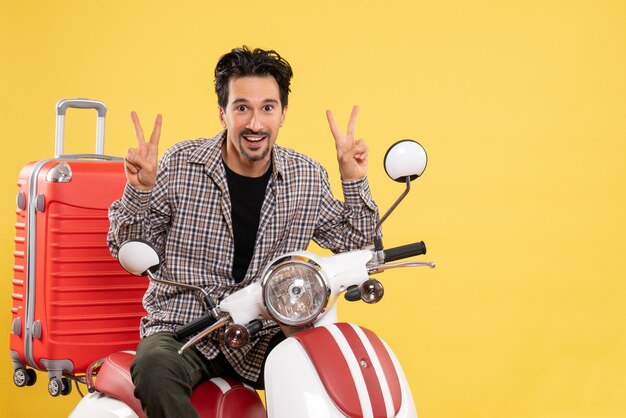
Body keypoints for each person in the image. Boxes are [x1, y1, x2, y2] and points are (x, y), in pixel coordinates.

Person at [107, 46, 379, 417]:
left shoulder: (306, 176)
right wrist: (140, 190)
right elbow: (126, 245)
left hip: (263, 332)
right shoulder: (179, 164)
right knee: (155, 368)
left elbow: (359, 246)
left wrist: (353, 180)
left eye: (267, 107)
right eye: (242, 108)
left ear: (283, 113)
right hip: (184, 329)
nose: (255, 123)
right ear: (223, 112)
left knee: (329, 358)